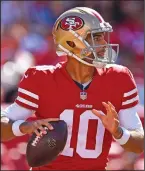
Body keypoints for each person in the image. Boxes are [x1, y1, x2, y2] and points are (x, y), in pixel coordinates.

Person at [1, 7, 144, 170]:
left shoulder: (119, 78)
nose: (104, 44)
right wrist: (23, 126)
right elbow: (3, 126)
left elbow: (139, 144)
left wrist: (118, 132)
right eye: (96, 38)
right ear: (71, 43)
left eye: (102, 37)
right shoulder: (42, 79)